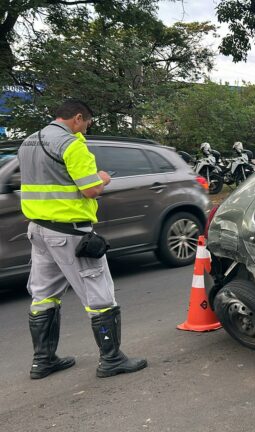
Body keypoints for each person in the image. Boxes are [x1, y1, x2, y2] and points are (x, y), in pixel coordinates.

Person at [18, 99, 147, 379]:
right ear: (77, 118)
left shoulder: (27, 142)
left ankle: (43, 360)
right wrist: (103, 178)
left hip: (38, 230)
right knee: (100, 296)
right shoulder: (72, 144)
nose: (86, 130)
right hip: (70, 233)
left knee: (43, 295)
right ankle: (111, 359)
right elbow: (90, 190)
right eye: (86, 124)